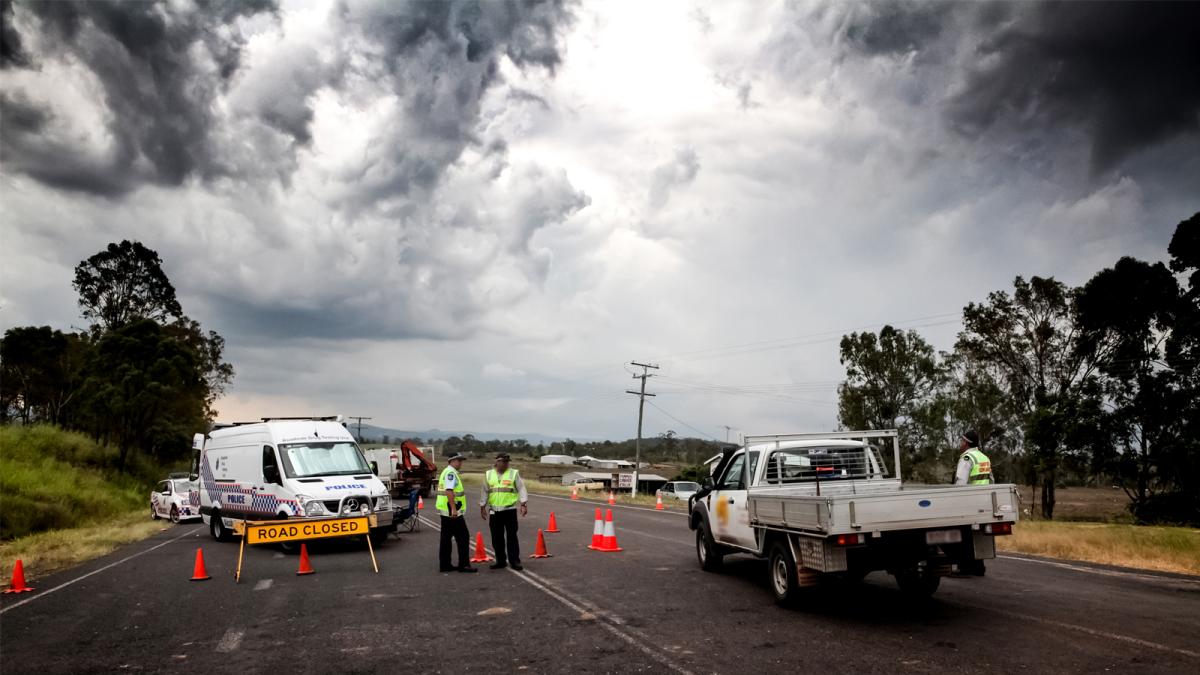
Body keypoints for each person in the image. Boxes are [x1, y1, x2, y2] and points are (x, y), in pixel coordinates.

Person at [480, 453, 529, 571]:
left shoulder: (513, 473)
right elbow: (485, 491)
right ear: (497, 462)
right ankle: (500, 561)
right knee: (497, 538)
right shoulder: (488, 474)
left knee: (512, 536)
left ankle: (514, 561)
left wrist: (523, 504)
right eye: (503, 461)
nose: (505, 464)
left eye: (507, 462)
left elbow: (521, 488)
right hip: (494, 511)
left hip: (509, 510)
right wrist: (482, 506)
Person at [953, 429, 991, 576]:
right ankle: (978, 567)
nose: (960, 443)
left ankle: (965, 567)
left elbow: (961, 482)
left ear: (966, 443)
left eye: (962, 441)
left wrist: (955, 502)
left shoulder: (967, 458)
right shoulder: (984, 458)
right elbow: (990, 479)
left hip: (969, 501)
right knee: (975, 534)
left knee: (963, 534)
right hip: (983, 501)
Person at [437, 452, 476, 573]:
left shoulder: (446, 471)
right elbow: (449, 491)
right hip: (452, 512)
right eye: (459, 460)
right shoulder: (451, 473)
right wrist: (454, 509)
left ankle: (445, 565)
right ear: (452, 461)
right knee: (463, 537)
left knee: (446, 539)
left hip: (446, 512)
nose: (461, 463)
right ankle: (464, 565)